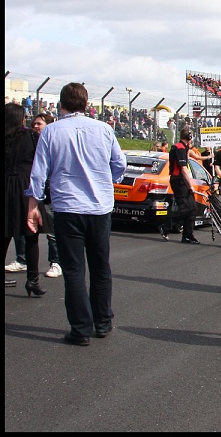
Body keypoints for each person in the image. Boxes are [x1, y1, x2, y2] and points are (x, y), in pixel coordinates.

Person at [27, 83, 127, 346]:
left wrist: (33, 205)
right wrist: (107, 181)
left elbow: (39, 173)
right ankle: (103, 321)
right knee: (100, 266)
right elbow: (120, 164)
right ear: (86, 104)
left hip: (68, 207)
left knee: (73, 270)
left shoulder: (51, 131)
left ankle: (80, 329)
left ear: (62, 105)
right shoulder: (105, 129)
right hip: (99, 206)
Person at [5, 103, 45, 293]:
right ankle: (33, 280)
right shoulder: (31, 136)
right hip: (25, 187)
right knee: (31, 235)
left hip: (6, 186)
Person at [31, 113, 62, 278]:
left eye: (39, 124)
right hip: (32, 192)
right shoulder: (29, 142)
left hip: (49, 193)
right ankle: (22, 260)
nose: (35, 126)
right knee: (27, 231)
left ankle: (56, 262)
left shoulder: (52, 142)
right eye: (34, 124)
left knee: (52, 231)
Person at [159, 127, 201, 244]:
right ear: (188, 137)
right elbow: (183, 168)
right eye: (191, 138)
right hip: (179, 180)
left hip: (181, 180)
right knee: (185, 207)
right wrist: (190, 185)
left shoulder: (184, 148)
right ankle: (166, 225)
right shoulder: (180, 148)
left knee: (193, 207)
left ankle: (188, 235)